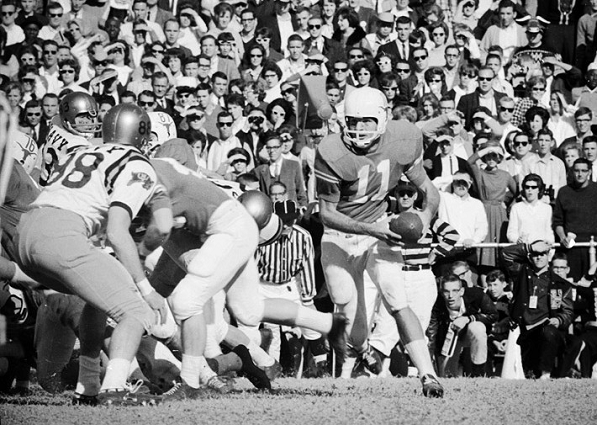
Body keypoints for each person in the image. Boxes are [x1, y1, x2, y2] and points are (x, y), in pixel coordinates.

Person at [144, 158, 347, 400]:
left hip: (205, 233)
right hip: (206, 228)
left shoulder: (255, 216)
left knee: (205, 312)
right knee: (239, 310)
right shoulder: (225, 200)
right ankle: (323, 325)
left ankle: (202, 378)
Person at [15, 103, 173, 405]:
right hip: (62, 235)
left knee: (97, 299)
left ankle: (87, 385)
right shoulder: (138, 163)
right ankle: (114, 389)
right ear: (142, 134)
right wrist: (147, 289)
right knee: (136, 309)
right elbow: (116, 231)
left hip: (28, 230)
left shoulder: (83, 151)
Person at [315, 87, 444, 397]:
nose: (360, 129)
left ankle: (428, 375)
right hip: (340, 238)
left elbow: (429, 190)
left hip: (377, 229)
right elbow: (327, 215)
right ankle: (363, 353)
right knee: (353, 325)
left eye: (368, 121)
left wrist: (424, 220)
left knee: (397, 299)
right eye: (354, 121)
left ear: (384, 118)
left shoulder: (404, 138)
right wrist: (371, 230)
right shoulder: (331, 151)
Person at [502, 240, 574, 379]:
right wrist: (529, 247)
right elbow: (505, 254)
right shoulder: (521, 272)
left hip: (548, 330)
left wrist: (558, 320)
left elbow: (568, 312)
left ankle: (545, 374)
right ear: (530, 256)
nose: (539, 257)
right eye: (535, 254)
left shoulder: (561, 284)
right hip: (525, 330)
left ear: (549, 256)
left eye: (542, 254)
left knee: (549, 333)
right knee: (528, 374)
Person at [427, 274, 497, 377]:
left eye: (455, 291)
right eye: (446, 291)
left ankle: (478, 375)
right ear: (442, 293)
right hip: (448, 338)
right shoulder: (436, 304)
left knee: (477, 327)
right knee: (447, 376)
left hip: (470, 334)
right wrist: (429, 360)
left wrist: (468, 319)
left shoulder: (476, 295)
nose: (451, 296)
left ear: (461, 291)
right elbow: (432, 335)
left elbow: (493, 315)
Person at [553, 158, 597, 281]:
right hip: (571, 249)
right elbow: (558, 221)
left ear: (589, 172)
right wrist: (562, 238)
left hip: (594, 246)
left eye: (584, 170)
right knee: (572, 286)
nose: (580, 174)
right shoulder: (564, 192)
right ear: (572, 171)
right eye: (577, 170)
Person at [507, 174, 554, 245]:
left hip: (541, 250)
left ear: (539, 189)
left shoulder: (547, 208)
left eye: (533, 187)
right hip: (522, 250)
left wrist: (548, 243)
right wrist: (516, 239)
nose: (530, 190)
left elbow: (549, 232)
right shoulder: (516, 208)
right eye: (527, 187)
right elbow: (511, 232)